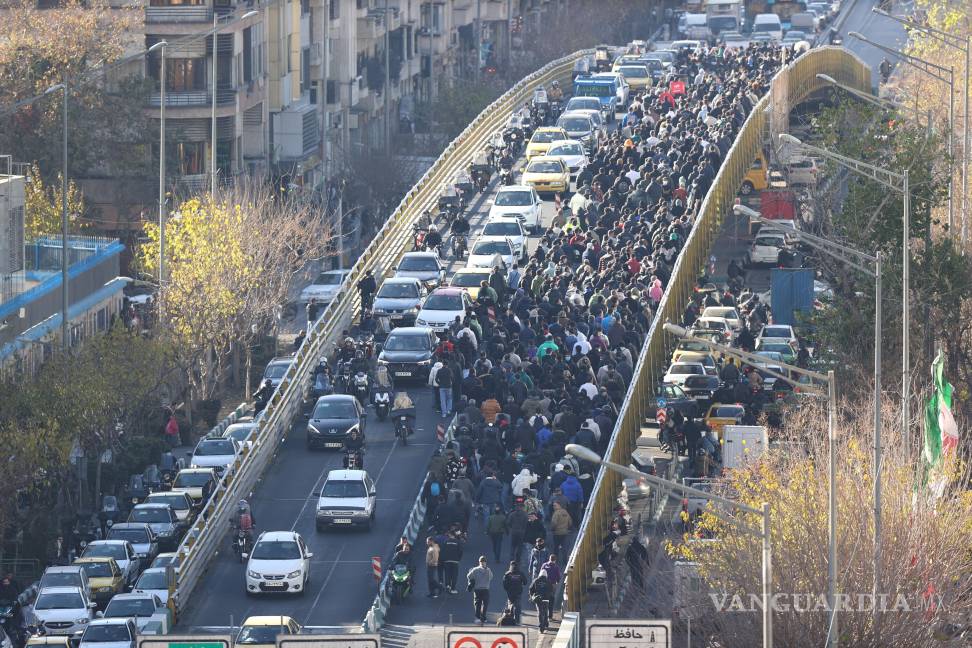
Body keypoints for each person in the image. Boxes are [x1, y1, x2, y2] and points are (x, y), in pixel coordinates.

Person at [467, 556, 493, 625]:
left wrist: (473, 580)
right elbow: (491, 577)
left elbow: (468, 576)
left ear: (479, 562)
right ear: (485, 562)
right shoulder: (488, 570)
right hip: (485, 589)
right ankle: (483, 617)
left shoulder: (475, 569)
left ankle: (477, 618)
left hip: (477, 589)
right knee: (485, 604)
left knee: (477, 604)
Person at [540, 554, 562, 620]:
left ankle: (543, 615)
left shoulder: (544, 565)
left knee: (543, 600)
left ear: (549, 559)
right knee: (551, 601)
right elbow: (558, 577)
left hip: (544, 585)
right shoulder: (556, 567)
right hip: (552, 586)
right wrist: (557, 582)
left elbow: (540, 574)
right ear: (555, 560)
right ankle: (550, 616)